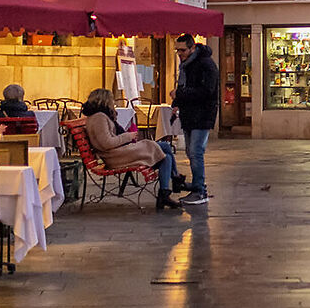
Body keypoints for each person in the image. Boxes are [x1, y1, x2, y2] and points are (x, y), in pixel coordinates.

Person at [81, 87, 184, 211]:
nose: (113, 102)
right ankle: (173, 182)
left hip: (117, 153)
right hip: (115, 157)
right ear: (104, 100)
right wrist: (127, 136)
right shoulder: (99, 118)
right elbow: (106, 143)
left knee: (166, 153)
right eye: (111, 100)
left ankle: (166, 192)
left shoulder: (100, 115)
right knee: (164, 149)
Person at [173, 41, 220, 205]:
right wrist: (177, 102)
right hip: (189, 114)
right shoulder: (186, 65)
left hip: (202, 115)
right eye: (177, 50)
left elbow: (207, 90)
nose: (180, 53)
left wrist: (180, 93)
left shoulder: (206, 64)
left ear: (192, 48)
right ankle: (198, 187)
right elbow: (183, 85)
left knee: (195, 151)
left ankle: (200, 191)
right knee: (190, 151)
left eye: (183, 50)